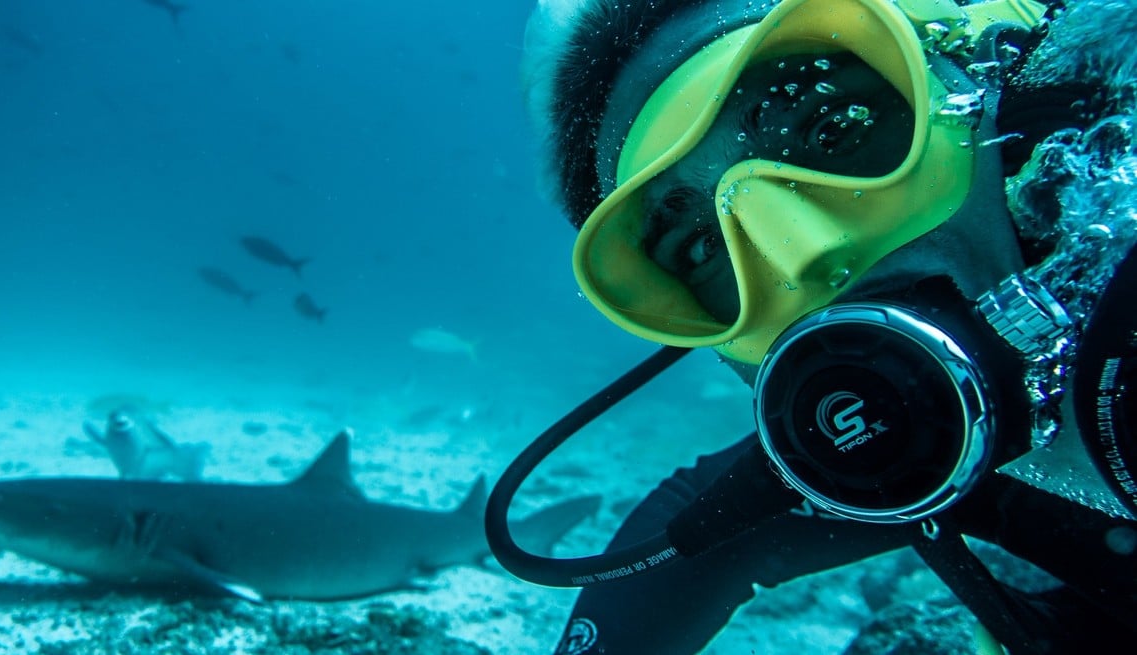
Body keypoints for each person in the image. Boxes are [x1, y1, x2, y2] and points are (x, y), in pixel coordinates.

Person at [484, 0, 1137, 652]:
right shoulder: (909, 445)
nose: (807, 253)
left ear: (985, 91)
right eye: (703, 248)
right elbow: (695, 536)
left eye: (834, 129)